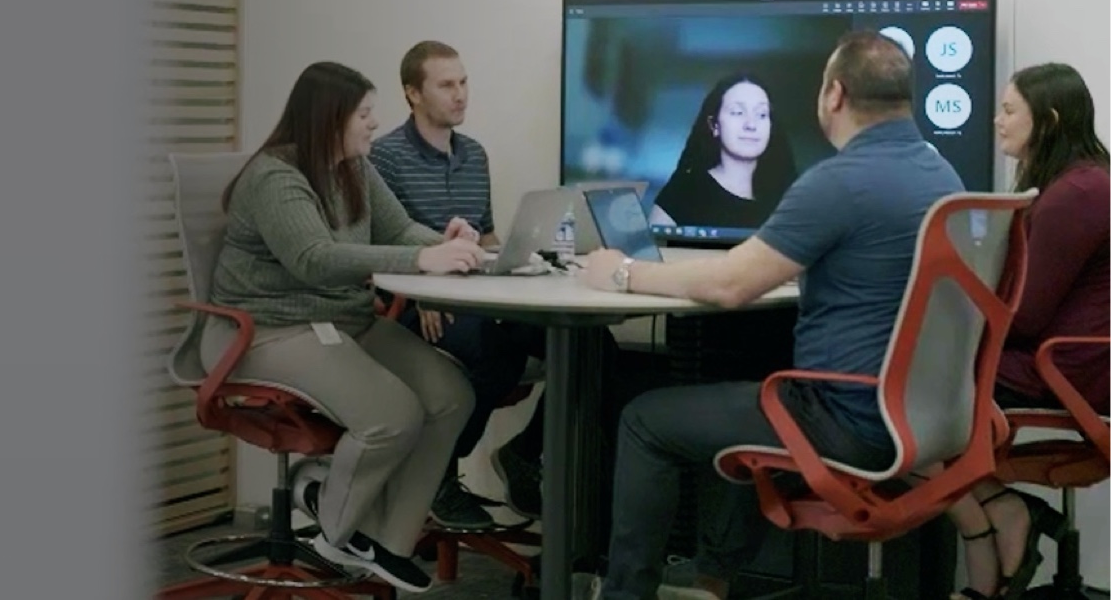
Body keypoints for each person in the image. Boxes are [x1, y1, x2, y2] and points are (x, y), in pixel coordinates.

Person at [576, 31, 964, 600]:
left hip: (845, 418)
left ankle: (626, 595)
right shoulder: (942, 176)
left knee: (644, 419)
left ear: (834, 93)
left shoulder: (838, 182)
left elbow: (730, 284)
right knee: (747, 397)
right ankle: (714, 580)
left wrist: (621, 271)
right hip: (921, 414)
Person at [203, 60, 486, 594]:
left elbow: (399, 228)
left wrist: (447, 245)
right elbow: (313, 259)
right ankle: (330, 524)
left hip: (341, 318)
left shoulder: (354, 166)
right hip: (266, 329)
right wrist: (422, 262)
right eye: (364, 114)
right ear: (329, 120)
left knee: (452, 396)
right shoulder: (275, 177)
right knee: (392, 415)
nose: (373, 124)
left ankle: (385, 543)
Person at [939, 62, 1109, 600]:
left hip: (1060, 369)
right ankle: (997, 538)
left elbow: (1026, 315)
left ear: (1050, 120)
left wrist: (945, 329)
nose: (996, 120)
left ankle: (1002, 514)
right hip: (1062, 361)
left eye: (1009, 110)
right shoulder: (1084, 181)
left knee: (904, 399)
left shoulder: (1077, 193)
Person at [367, 41, 547, 528]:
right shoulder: (385, 158)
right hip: (412, 302)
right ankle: (438, 474)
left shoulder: (473, 155)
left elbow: (484, 234)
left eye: (464, 82)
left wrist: (516, 259)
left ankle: (523, 453)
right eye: (447, 85)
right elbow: (378, 246)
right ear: (413, 94)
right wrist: (424, 284)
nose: (461, 94)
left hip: (474, 296)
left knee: (588, 343)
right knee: (496, 346)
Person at [650, 72, 799, 232]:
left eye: (761, 114)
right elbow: (650, 254)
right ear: (714, 125)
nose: (751, 124)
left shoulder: (791, 197)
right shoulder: (684, 192)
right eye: (737, 112)